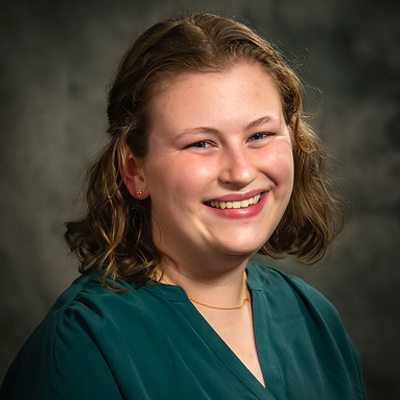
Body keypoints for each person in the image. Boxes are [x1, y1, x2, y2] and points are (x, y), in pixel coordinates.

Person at [0, 13, 366, 400]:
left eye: (259, 134)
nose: (241, 172)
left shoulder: (315, 319)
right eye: (201, 143)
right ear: (134, 169)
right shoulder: (82, 345)